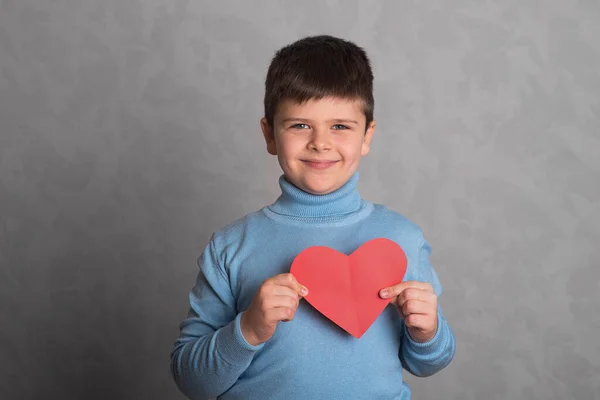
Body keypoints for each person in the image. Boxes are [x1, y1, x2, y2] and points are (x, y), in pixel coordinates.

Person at [170, 34, 455, 400]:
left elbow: (428, 362)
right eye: (300, 125)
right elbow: (191, 380)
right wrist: (249, 329)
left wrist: (427, 331)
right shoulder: (231, 246)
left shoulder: (403, 239)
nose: (320, 142)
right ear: (269, 135)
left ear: (367, 135)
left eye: (340, 126)